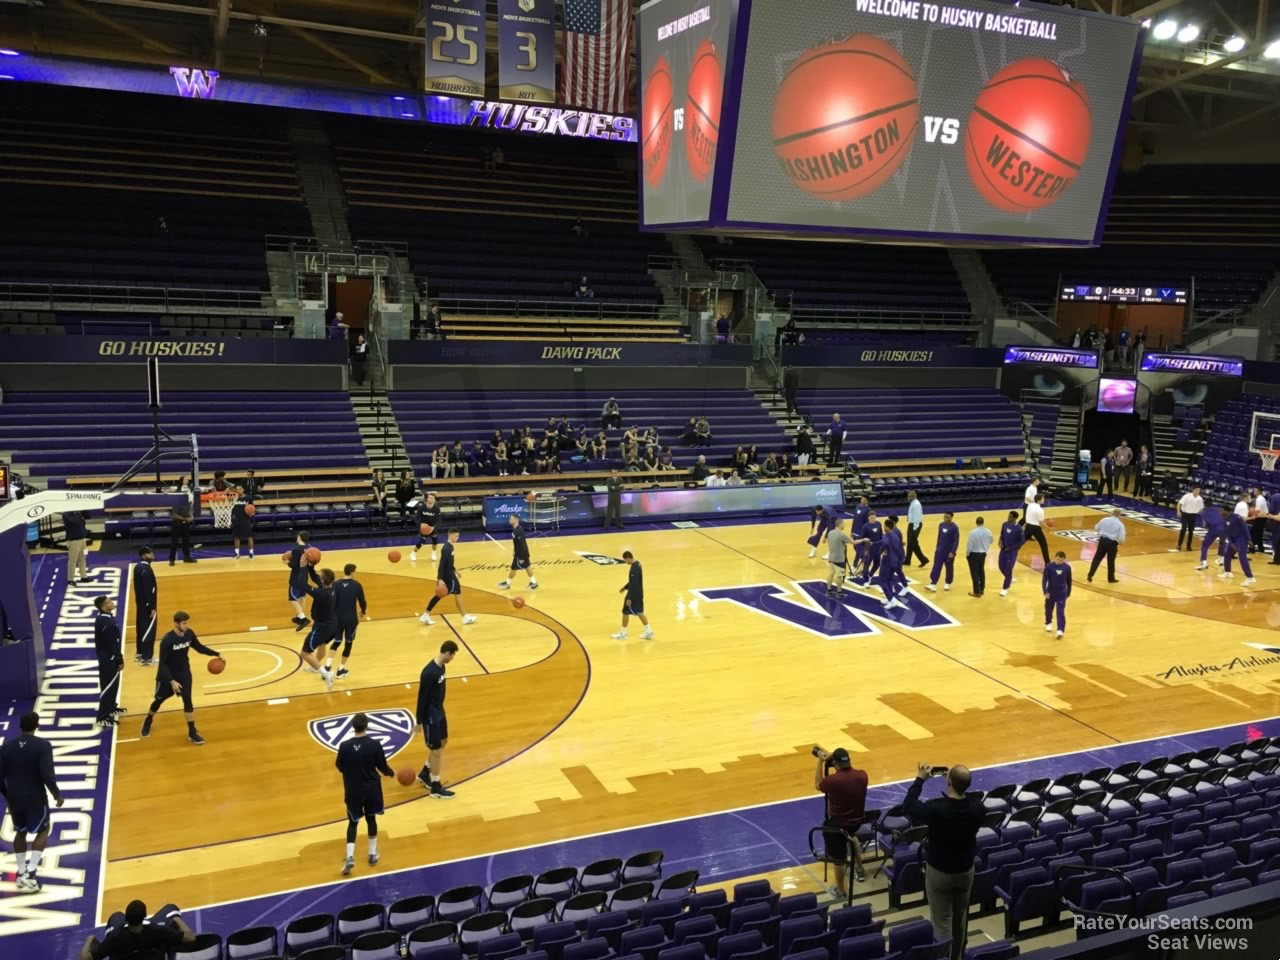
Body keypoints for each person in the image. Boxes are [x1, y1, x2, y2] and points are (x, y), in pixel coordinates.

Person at [903, 763, 985, 960]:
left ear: (948, 781)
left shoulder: (936, 809)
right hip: (965, 871)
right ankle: (956, 956)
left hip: (939, 872)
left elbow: (908, 806)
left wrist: (920, 779)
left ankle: (943, 957)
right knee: (960, 918)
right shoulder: (977, 809)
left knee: (942, 922)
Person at [0, 711, 64, 892]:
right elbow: (47, 775)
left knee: (20, 833)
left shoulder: (6, 747)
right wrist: (56, 795)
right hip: (35, 797)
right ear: (37, 725)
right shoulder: (43, 746)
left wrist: (8, 798)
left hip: (15, 798)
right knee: (44, 830)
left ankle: (21, 874)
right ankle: (31, 874)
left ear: (20, 726)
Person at [140, 611, 221, 745]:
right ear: (176, 623)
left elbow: (199, 648)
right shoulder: (167, 640)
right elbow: (162, 664)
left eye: (187, 623)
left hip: (184, 673)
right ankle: (148, 720)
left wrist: (216, 654)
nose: (186, 625)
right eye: (184, 623)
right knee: (158, 700)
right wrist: (172, 681)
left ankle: (192, 732)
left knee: (188, 701)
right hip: (167, 675)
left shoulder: (189, 634)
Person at [337, 711, 394, 874]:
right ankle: (372, 855)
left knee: (352, 823)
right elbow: (382, 766)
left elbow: (339, 766)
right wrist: (391, 773)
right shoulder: (375, 745)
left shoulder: (344, 746)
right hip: (371, 789)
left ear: (353, 727)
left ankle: (349, 857)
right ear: (367, 726)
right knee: (371, 819)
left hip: (353, 789)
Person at [814, 747, 869, 897]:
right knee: (852, 838)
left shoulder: (833, 781)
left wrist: (820, 761)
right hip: (856, 821)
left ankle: (841, 890)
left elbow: (818, 784)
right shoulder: (863, 775)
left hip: (838, 824)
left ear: (835, 764)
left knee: (839, 859)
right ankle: (859, 868)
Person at [414, 640, 458, 798]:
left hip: (439, 710)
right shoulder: (429, 672)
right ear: (447, 653)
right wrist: (419, 721)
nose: (452, 659)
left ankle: (425, 772)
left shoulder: (442, 667)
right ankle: (435, 786)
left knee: (444, 741)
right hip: (430, 715)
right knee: (436, 750)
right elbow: (422, 697)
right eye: (452, 656)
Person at [78, 900, 195, 959]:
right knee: (171, 909)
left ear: (127, 918)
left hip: (121, 946)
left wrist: (90, 938)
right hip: (153, 951)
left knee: (115, 917)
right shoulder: (157, 931)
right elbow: (190, 937)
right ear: (144, 916)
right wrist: (176, 919)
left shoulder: (115, 938)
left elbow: (84, 958)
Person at [420, 530, 477, 626]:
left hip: (451, 574)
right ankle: (464, 617)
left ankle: (464, 617)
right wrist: (440, 579)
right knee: (442, 595)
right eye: (456, 536)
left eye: (458, 536)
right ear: (450, 535)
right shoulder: (446, 548)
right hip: (448, 576)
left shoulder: (450, 546)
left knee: (452, 593)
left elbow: (449, 562)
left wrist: (455, 570)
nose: (457, 538)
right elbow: (442, 564)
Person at [326, 563, 368, 680]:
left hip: (337, 618)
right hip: (351, 619)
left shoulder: (335, 584)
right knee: (348, 643)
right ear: (353, 572)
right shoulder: (357, 585)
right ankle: (340, 669)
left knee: (336, 641)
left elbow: (330, 600)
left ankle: (327, 666)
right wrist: (363, 611)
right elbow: (362, 601)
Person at [301, 569, 339, 691]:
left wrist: (300, 567)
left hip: (322, 626)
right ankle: (314, 665)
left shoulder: (321, 593)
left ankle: (326, 674)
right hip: (333, 624)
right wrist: (310, 567)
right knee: (322, 644)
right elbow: (316, 578)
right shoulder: (333, 587)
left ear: (323, 581)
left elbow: (300, 584)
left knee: (305, 653)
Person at [94, 596, 125, 728]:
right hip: (108, 659)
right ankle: (102, 716)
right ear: (103, 606)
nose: (112, 602)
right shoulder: (106, 622)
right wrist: (119, 659)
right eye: (109, 602)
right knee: (108, 686)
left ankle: (111, 708)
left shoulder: (104, 618)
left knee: (113, 684)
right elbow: (112, 643)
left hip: (108, 656)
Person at [612, 551, 653, 640]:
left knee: (625, 612)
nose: (625, 562)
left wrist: (630, 598)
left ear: (628, 558)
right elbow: (633, 582)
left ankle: (623, 633)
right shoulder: (638, 564)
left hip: (633, 594)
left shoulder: (634, 569)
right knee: (639, 612)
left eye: (625, 560)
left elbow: (633, 584)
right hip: (639, 593)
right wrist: (625, 587)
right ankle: (649, 631)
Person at [287, 532, 321, 631]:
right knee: (302, 596)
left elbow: (293, 565)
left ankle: (303, 618)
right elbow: (312, 562)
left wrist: (286, 561)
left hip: (296, 577)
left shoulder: (296, 549)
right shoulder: (310, 548)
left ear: (299, 537)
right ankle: (299, 616)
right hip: (305, 575)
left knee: (292, 598)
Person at [497, 514, 539, 590]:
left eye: (511, 519)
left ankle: (507, 583)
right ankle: (534, 582)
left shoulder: (518, 531)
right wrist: (514, 550)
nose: (509, 520)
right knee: (527, 566)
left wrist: (521, 557)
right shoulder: (516, 530)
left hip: (521, 554)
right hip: (521, 552)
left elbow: (522, 544)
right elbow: (517, 543)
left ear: (516, 520)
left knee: (514, 567)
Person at [1221, 497, 1256, 586]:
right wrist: (1231, 543)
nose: (1220, 513)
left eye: (1221, 511)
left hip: (1242, 539)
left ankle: (1250, 578)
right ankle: (1227, 572)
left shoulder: (1236, 517)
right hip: (1233, 539)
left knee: (1242, 557)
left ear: (1227, 511)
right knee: (1227, 554)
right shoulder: (1224, 519)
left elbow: (1244, 528)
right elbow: (1227, 532)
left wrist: (1249, 540)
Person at [133, 546, 158, 665]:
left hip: (140, 604)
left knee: (141, 629)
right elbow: (149, 590)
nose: (153, 554)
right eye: (150, 553)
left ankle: (140, 653)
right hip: (147, 605)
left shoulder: (138, 567)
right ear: (144, 555)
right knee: (148, 630)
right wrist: (152, 607)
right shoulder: (146, 570)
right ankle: (146, 658)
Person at [877, 517, 908, 610]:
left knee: (882, 581)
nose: (883, 527)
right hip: (895, 561)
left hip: (887, 561)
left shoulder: (886, 536)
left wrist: (880, 550)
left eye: (884, 526)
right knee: (890, 580)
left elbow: (885, 544)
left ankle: (891, 600)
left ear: (886, 527)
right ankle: (890, 597)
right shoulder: (895, 535)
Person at [1087, 509, 1125, 583]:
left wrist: (1103, 532)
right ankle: (1111, 579)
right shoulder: (1120, 524)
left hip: (1102, 541)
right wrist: (1120, 542)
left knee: (1097, 559)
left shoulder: (1104, 519)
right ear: (1119, 515)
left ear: (1112, 513)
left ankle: (1090, 575)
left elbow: (1096, 528)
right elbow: (1121, 537)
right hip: (1112, 543)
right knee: (1111, 561)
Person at [926, 512, 959, 592]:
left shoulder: (954, 527)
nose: (945, 518)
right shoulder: (941, 525)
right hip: (939, 551)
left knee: (949, 568)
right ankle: (933, 583)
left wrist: (953, 552)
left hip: (949, 552)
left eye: (947, 517)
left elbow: (956, 541)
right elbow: (939, 537)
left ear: (951, 517)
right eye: (944, 517)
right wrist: (937, 547)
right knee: (936, 567)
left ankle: (948, 583)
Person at [1042, 550, 1072, 638]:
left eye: (1061, 560)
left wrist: (1069, 592)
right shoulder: (1049, 567)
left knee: (1060, 612)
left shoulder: (1067, 568)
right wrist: (1045, 591)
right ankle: (1048, 622)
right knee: (1048, 609)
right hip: (1050, 592)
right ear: (1055, 558)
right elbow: (1044, 580)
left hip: (1062, 593)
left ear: (1064, 560)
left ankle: (1060, 630)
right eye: (1058, 559)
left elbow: (1069, 581)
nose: (1059, 562)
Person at [823, 516, 854, 595]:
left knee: (830, 574)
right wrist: (864, 540)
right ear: (840, 525)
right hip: (839, 559)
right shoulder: (841, 534)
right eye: (843, 524)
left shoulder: (830, 532)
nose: (844, 525)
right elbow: (854, 542)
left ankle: (829, 590)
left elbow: (829, 543)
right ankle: (839, 592)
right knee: (839, 576)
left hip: (831, 557)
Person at [997, 510, 1024, 597]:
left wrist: (1012, 548)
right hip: (1003, 549)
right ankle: (1010, 578)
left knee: (1008, 569)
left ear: (1015, 518)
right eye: (1008, 516)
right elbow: (1002, 534)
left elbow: (1021, 541)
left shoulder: (1019, 529)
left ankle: (1005, 588)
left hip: (1012, 551)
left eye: (1011, 517)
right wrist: (1000, 541)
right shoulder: (1005, 524)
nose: (1008, 518)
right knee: (1001, 566)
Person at [410, 491, 442, 563]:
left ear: (434, 500)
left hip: (432, 527)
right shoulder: (422, 507)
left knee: (435, 540)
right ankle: (413, 553)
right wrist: (420, 525)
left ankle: (433, 553)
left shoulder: (437, 509)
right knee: (422, 541)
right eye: (429, 498)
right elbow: (416, 518)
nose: (430, 499)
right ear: (427, 499)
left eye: (432, 498)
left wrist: (433, 527)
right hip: (424, 527)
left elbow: (439, 521)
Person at [965, 517, 993, 597]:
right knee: (981, 571)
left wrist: (967, 554)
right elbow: (991, 541)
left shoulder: (972, 532)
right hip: (983, 553)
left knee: (974, 573)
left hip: (973, 554)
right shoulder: (988, 531)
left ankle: (976, 591)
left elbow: (970, 545)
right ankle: (982, 589)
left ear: (976, 522)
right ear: (983, 522)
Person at [1196, 501, 1227, 571]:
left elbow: (1206, 524)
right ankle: (1222, 559)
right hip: (1224, 528)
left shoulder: (1203, 512)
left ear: (1205, 505)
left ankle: (1204, 562)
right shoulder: (1220, 509)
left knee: (1205, 545)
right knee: (1222, 542)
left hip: (1214, 529)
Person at [1174, 485, 1204, 553]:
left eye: (1199, 490)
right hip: (1185, 514)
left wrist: (1202, 517)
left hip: (1193, 516)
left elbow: (1201, 509)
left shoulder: (1200, 499)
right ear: (1193, 490)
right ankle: (1179, 544)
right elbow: (1179, 503)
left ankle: (1189, 545)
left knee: (1191, 531)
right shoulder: (1187, 496)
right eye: (1196, 490)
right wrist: (1178, 511)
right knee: (1183, 529)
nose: (1198, 491)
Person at [905, 490, 930, 567]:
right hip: (911, 524)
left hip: (915, 525)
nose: (907, 497)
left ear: (913, 497)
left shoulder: (916, 504)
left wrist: (915, 528)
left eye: (909, 496)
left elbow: (917, 516)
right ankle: (907, 560)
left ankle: (923, 559)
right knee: (909, 543)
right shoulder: (913, 503)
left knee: (913, 543)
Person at [1024, 492, 1050, 565]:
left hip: (1028, 526)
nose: (1044, 499)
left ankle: (1010, 553)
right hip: (1036, 528)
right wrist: (1048, 527)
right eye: (1043, 498)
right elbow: (1041, 523)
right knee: (1043, 544)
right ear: (1039, 500)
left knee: (1020, 543)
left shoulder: (1030, 505)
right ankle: (1047, 562)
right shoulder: (1040, 510)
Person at [168, 494, 194, 565]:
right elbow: (174, 515)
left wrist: (191, 517)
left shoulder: (190, 503)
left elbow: (190, 512)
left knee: (186, 541)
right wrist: (185, 518)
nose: (189, 503)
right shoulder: (176, 503)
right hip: (177, 524)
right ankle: (172, 559)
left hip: (186, 524)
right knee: (174, 542)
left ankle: (187, 557)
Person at [64, 509, 89, 583]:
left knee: (83, 558)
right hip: (74, 541)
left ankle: (83, 576)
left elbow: (88, 515)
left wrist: (83, 509)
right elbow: (76, 521)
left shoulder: (79, 512)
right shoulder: (66, 513)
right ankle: (70, 579)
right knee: (73, 560)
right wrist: (77, 513)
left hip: (82, 540)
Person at [230, 494, 255, 559]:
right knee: (236, 536)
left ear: (243, 489)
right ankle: (237, 553)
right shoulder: (234, 497)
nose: (238, 490)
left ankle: (251, 553)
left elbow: (252, 507)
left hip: (245, 519)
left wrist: (252, 512)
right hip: (236, 519)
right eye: (237, 489)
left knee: (249, 536)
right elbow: (231, 508)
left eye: (240, 489)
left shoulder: (248, 498)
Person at [1250, 486, 1268, 554]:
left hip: (1261, 517)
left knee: (1254, 532)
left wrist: (1251, 515)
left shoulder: (1259, 499)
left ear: (1259, 491)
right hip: (1262, 517)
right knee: (1258, 533)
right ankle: (1260, 548)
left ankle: (1252, 548)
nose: (1254, 491)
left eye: (1255, 490)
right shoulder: (1260, 498)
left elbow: (1257, 510)